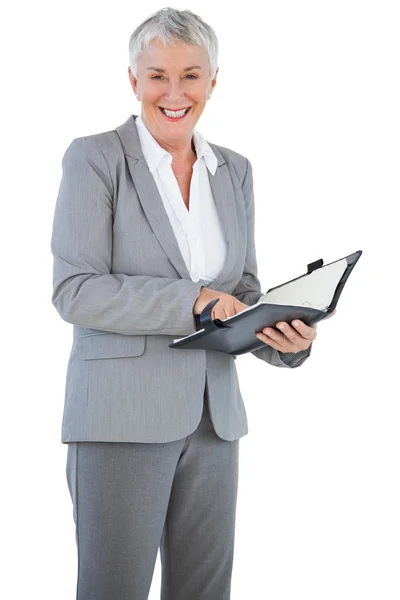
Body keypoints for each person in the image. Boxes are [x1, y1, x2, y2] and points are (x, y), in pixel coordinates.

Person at [50, 7, 329, 599]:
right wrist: (193, 299)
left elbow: (242, 292)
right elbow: (75, 290)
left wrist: (286, 336)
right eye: (157, 76)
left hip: (214, 421)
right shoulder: (95, 158)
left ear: (213, 81)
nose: (174, 93)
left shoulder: (235, 171)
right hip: (120, 420)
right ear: (133, 80)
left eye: (191, 76)